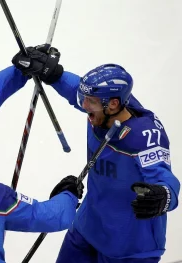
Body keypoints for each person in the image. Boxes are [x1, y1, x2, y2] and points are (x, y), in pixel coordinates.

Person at [11, 45, 180, 262]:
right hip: (88, 228)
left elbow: (166, 180)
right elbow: (76, 91)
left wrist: (164, 196)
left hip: (130, 246)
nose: (83, 106)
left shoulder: (145, 136)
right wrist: (53, 74)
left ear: (114, 104)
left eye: (89, 103)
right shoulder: (103, 109)